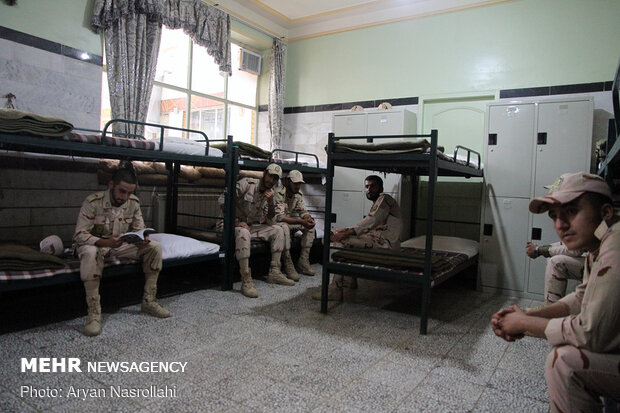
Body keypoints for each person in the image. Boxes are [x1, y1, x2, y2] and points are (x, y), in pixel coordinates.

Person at [490, 172, 620, 413]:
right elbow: (581, 297)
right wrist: (531, 315)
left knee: (564, 363)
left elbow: (591, 333)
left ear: (605, 213)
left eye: (571, 211)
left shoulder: (615, 247)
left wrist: (525, 323)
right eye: (554, 216)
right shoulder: (599, 245)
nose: (559, 225)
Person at [73, 161, 170, 337]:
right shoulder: (93, 202)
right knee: (90, 252)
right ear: (111, 185)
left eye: (129, 192)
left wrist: (142, 239)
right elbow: (79, 235)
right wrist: (105, 243)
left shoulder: (133, 202)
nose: (125, 197)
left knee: (154, 247)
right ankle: (94, 314)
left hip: (119, 245)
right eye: (122, 191)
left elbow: (139, 228)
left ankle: (149, 300)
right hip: (98, 245)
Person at [313, 175, 402, 300]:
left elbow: (371, 221)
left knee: (342, 242)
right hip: (380, 241)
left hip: (386, 245)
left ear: (381, 188)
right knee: (341, 237)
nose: (369, 190)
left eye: (373, 186)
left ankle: (336, 289)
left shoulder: (384, 199)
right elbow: (368, 226)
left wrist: (344, 234)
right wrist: (342, 230)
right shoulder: (380, 202)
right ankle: (348, 281)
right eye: (367, 186)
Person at [218, 163, 296, 299]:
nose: (271, 181)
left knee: (278, 229)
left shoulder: (269, 194)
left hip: (249, 226)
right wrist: (236, 221)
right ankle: (246, 280)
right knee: (243, 233)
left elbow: (271, 218)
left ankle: (275, 272)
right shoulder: (247, 184)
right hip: (228, 224)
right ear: (265, 174)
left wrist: (271, 201)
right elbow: (223, 200)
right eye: (270, 176)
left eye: (275, 179)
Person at [275, 169, 316, 277]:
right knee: (284, 228)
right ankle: (288, 263)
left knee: (311, 227)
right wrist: (301, 221)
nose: (297, 186)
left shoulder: (297, 194)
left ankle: (303, 260)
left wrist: (308, 219)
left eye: (299, 184)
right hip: (276, 224)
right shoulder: (279, 193)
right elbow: (280, 217)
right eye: (295, 183)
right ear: (288, 181)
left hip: (289, 223)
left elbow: (303, 211)